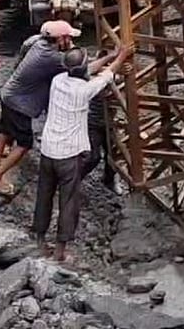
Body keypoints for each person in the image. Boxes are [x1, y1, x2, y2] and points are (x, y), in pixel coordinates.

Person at [33, 45, 132, 262]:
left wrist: (110, 54)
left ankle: (40, 240)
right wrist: (120, 57)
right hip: (69, 155)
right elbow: (106, 74)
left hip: (48, 150)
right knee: (69, 202)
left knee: (44, 195)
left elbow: (88, 68)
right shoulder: (84, 90)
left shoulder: (57, 80)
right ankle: (60, 251)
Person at [0, 20, 79, 196]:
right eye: (68, 38)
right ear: (60, 40)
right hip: (19, 104)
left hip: (9, 93)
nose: (70, 41)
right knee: (24, 143)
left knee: (4, 133)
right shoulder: (52, 58)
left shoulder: (35, 41)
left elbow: (21, 54)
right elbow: (79, 67)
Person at [81, 49, 121, 195]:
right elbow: (105, 83)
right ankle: (72, 181)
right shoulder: (92, 79)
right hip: (93, 123)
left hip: (109, 123)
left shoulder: (113, 76)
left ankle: (108, 179)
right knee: (93, 157)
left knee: (114, 155)